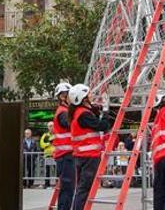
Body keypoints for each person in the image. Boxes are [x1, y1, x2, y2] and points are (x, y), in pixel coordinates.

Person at [69, 83, 112, 210]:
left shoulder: (78, 113)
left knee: (82, 188)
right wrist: (106, 111)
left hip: (82, 156)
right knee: (84, 189)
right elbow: (103, 126)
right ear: (83, 98)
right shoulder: (83, 114)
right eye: (88, 95)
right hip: (89, 157)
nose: (91, 96)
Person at [52, 82, 75, 210]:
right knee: (67, 187)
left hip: (66, 155)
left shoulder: (64, 111)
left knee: (67, 187)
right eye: (70, 95)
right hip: (66, 156)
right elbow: (71, 125)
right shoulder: (63, 112)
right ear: (62, 97)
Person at [40, 121, 55, 189]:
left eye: (52, 126)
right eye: (50, 126)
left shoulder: (57, 134)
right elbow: (42, 145)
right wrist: (49, 144)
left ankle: (57, 185)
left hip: (56, 155)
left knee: (57, 171)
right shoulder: (45, 135)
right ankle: (47, 184)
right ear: (48, 127)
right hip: (48, 155)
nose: (51, 127)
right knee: (47, 171)